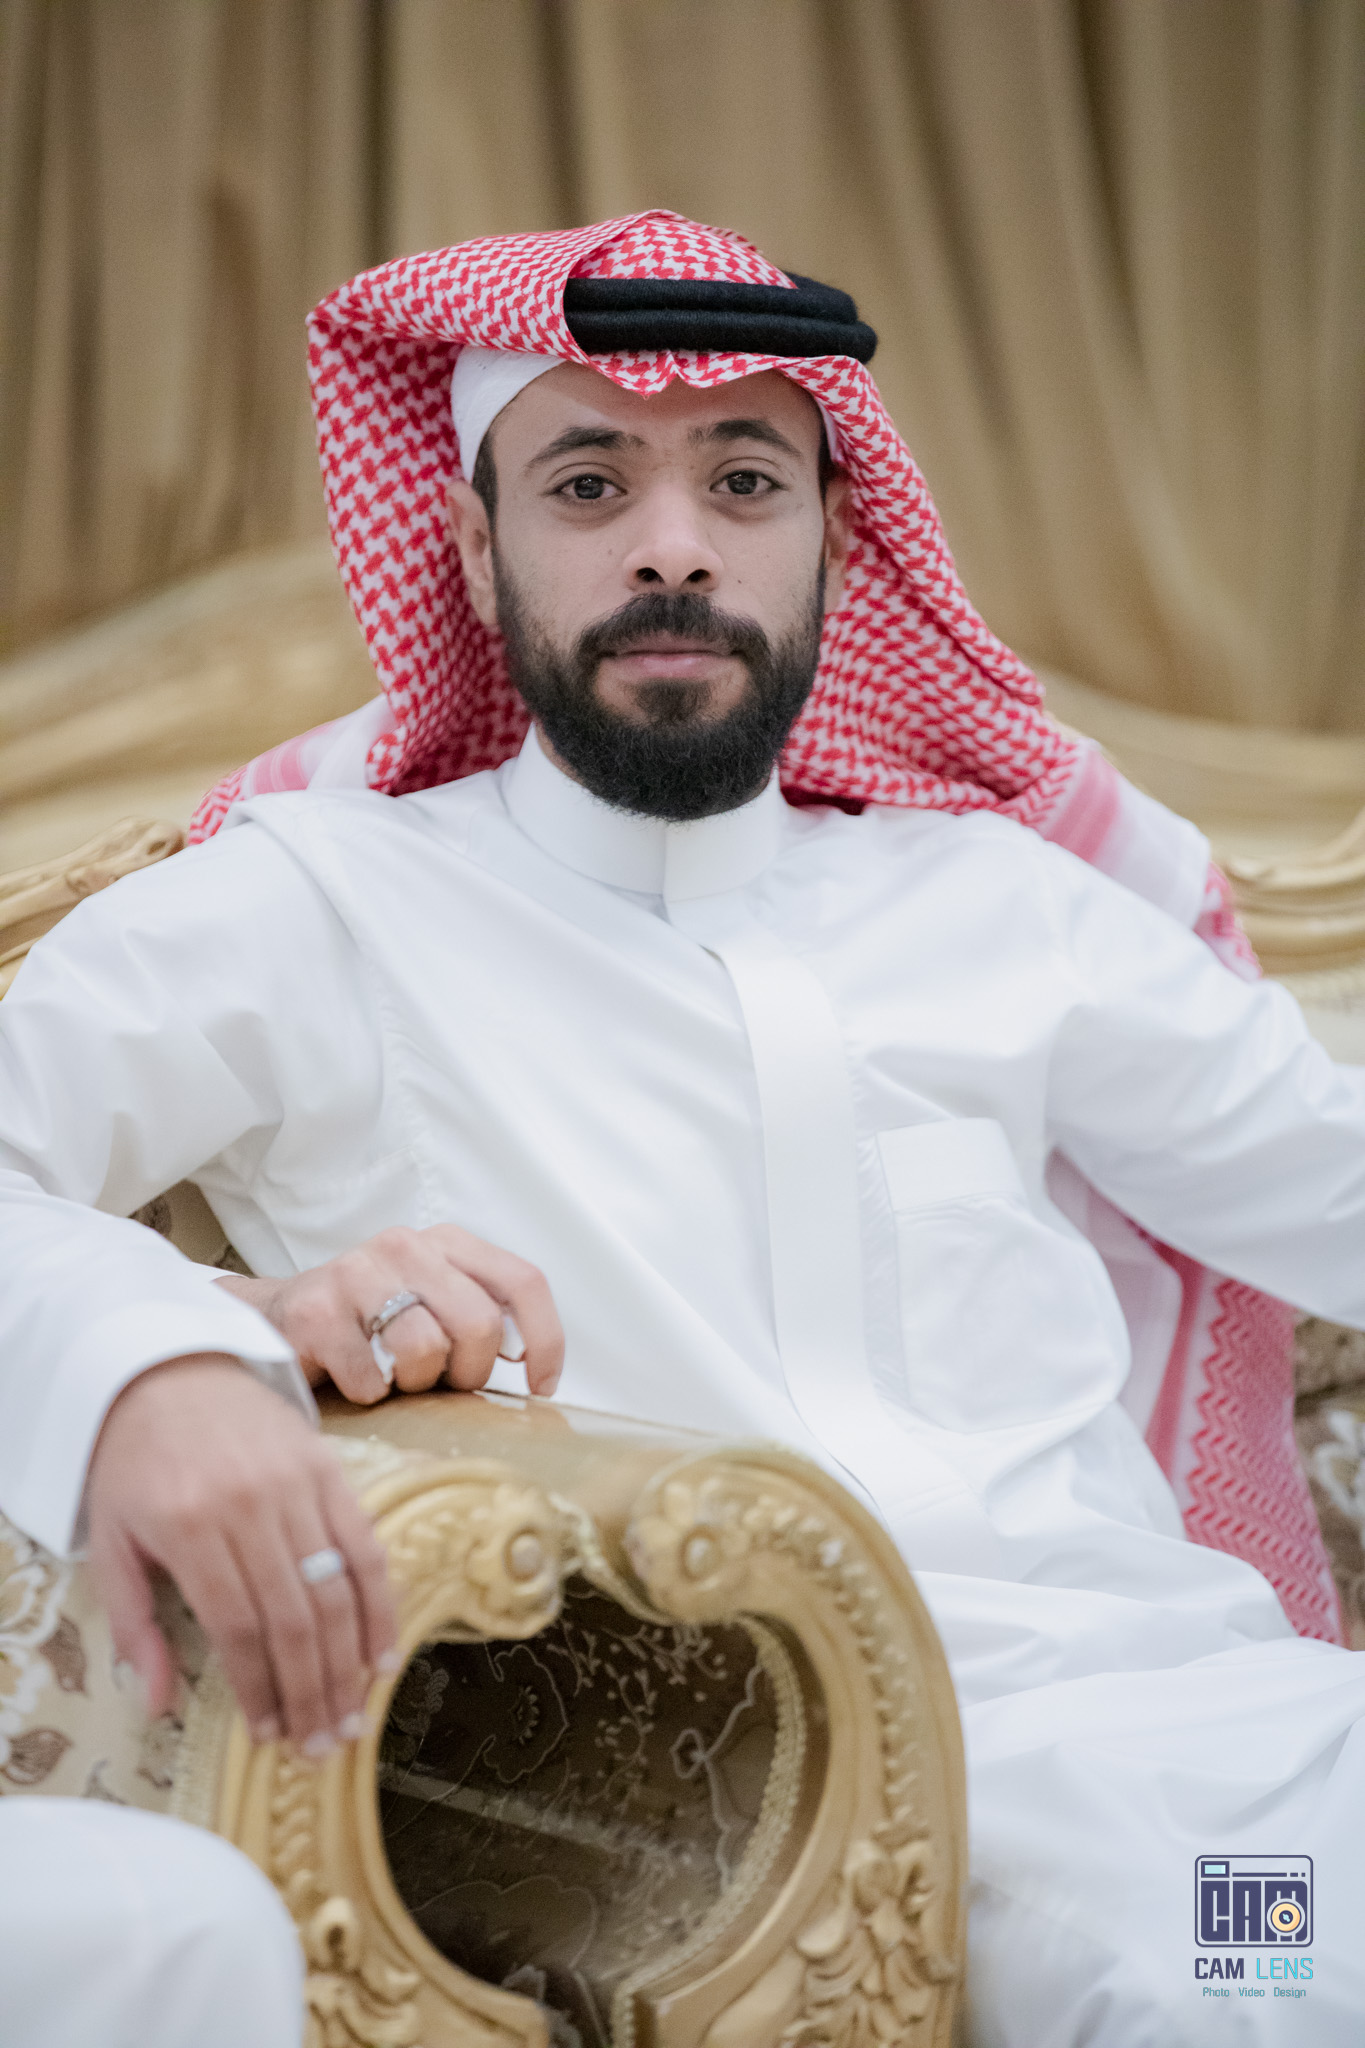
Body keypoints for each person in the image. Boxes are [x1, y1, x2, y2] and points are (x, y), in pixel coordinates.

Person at [2, 211, 1363, 2044]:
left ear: (833, 533)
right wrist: (168, 1359)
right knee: (1265, 1997)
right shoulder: (316, 905)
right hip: (826, 1800)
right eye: (588, 485)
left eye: (743, 481)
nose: (673, 545)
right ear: (471, 546)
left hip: (1246, 1715)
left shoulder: (1002, 904)